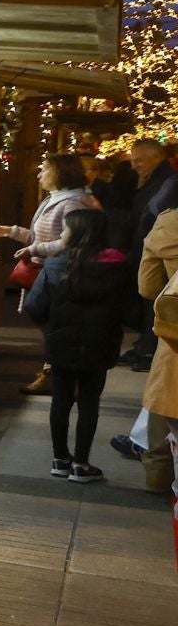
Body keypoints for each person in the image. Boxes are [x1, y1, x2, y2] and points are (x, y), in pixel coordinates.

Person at [21, 209, 130, 482]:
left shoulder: (55, 264)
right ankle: (81, 465)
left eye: (65, 230)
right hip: (100, 344)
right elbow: (130, 311)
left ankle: (60, 460)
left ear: (78, 232)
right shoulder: (118, 267)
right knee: (90, 403)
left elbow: (34, 306)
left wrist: (53, 325)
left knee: (61, 400)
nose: (61, 235)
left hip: (60, 343)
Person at [0, 153, 99, 393]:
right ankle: (56, 374)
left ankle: (58, 377)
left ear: (60, 173)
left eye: (44, 169)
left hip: (60, 276)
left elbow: (70, 243)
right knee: (50, 326)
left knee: (54, 327)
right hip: (47, 272)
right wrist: (12, 232)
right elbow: (45, 234)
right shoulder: (55, 199)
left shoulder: (72, 203)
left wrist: (34, 249)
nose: (39, 174)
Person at [117, 138, 177, 370]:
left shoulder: (168, 182)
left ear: (157, 157)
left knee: (154, 302)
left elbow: (157, 217)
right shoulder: (156, 180)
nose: (134, 166)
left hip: (157, 254)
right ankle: (146, 345)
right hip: (148, 250)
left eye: (139, 160)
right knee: (147, 302)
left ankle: (150, 349)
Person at [135, 208, 178, 487]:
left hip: (175, 338)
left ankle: (158, 474)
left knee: (168, 402)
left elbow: (148, 286)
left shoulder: (170, 221)